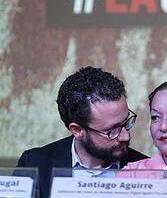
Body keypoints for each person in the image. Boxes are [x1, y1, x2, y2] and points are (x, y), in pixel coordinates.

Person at [16, 66, 147, 198]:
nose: (125, 136)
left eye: (126, 122)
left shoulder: (147, 170)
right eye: (112, 130)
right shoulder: (36, 165)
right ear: (77, 130)